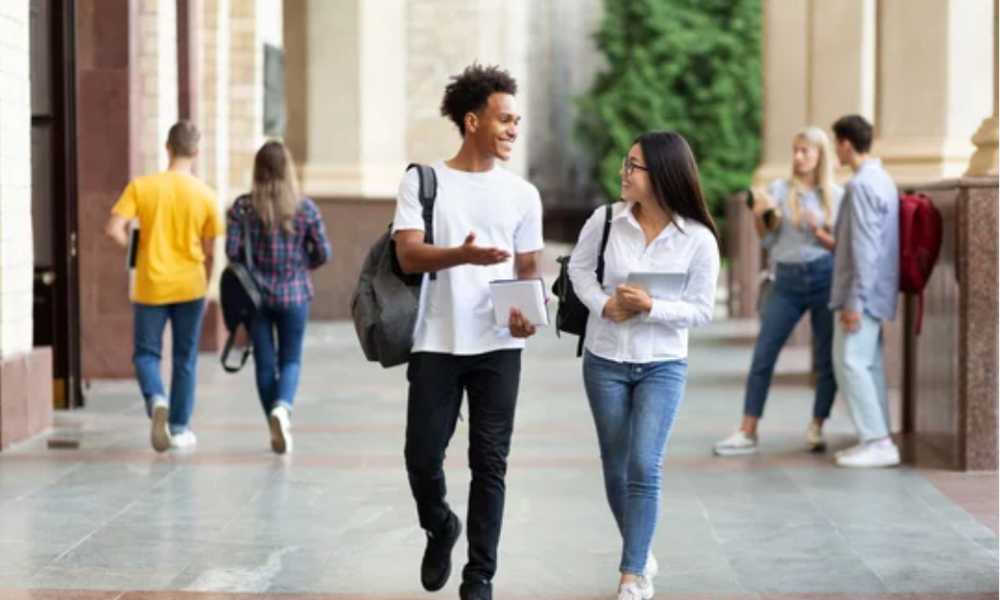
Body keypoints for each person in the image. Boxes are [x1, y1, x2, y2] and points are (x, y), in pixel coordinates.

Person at [392, 64, 543, 600]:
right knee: (421, 457)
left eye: (516, 121)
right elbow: (408, 255)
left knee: (489, 463)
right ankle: (440, 526)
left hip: (499, 346)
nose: (511, 129)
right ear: (473, 120)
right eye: (504, 119)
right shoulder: (423, 181)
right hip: (436, 339)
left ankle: (480, 575)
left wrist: (528, 314)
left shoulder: (522, 194)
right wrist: (464, 255)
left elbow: (528, 271)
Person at [569, 132, 720, 600]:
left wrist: (652, 305)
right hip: (605, 359)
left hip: (662, 364)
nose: (623, 172)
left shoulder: (697, 240)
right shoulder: (606, 221)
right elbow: (577, 271)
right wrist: (602, 305)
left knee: (643, 464)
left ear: (661, 175)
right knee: (615, 467)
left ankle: (632, 573)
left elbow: (702, 310)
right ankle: (641, 547)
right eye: (625, 163)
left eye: (633, 166)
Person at [714, 127, 843, 457]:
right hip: (785, 280)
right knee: (764, 354)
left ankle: (817, 425)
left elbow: (842, 248)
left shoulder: (836, 196)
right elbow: (768, 242)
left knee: (826, 357)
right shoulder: (778, 190)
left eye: (805, 151)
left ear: (820, 157)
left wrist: (817, 228)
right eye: (795, 150)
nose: (798, 157)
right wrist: (759, 217)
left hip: (824, 277)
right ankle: (747, 429)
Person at [105, 120, 224, 452]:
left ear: (167, 148)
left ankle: (156, 398)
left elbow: (114, 228)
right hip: (190, 285)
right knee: (185, 358)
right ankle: (180, 428)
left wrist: (135, 248)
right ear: (196, 152)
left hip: (150, 283)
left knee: (146, 354)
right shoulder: (205, 194)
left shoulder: (142, 187)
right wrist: (206, 276)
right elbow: (212, 247)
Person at [225, 140, 330, 455]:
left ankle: (274, 419)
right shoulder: (305, 208)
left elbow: (232, 253)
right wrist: (302, 266)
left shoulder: (241, 208)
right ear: (288, 169)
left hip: (256, 299)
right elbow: (323, 252)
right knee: (291, 359)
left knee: (264, 362)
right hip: (295, 294)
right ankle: (282, 409)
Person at [828, 114, 901, 468]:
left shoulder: (859, 186)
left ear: (845, 143)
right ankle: (876, 437)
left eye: (835, 144)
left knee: (851, 363)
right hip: (878, 290)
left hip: (863, 294)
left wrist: (853, 301)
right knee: (867, 365)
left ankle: (877, 441)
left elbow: (865, 249)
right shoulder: (883, 180)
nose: (835, 151)